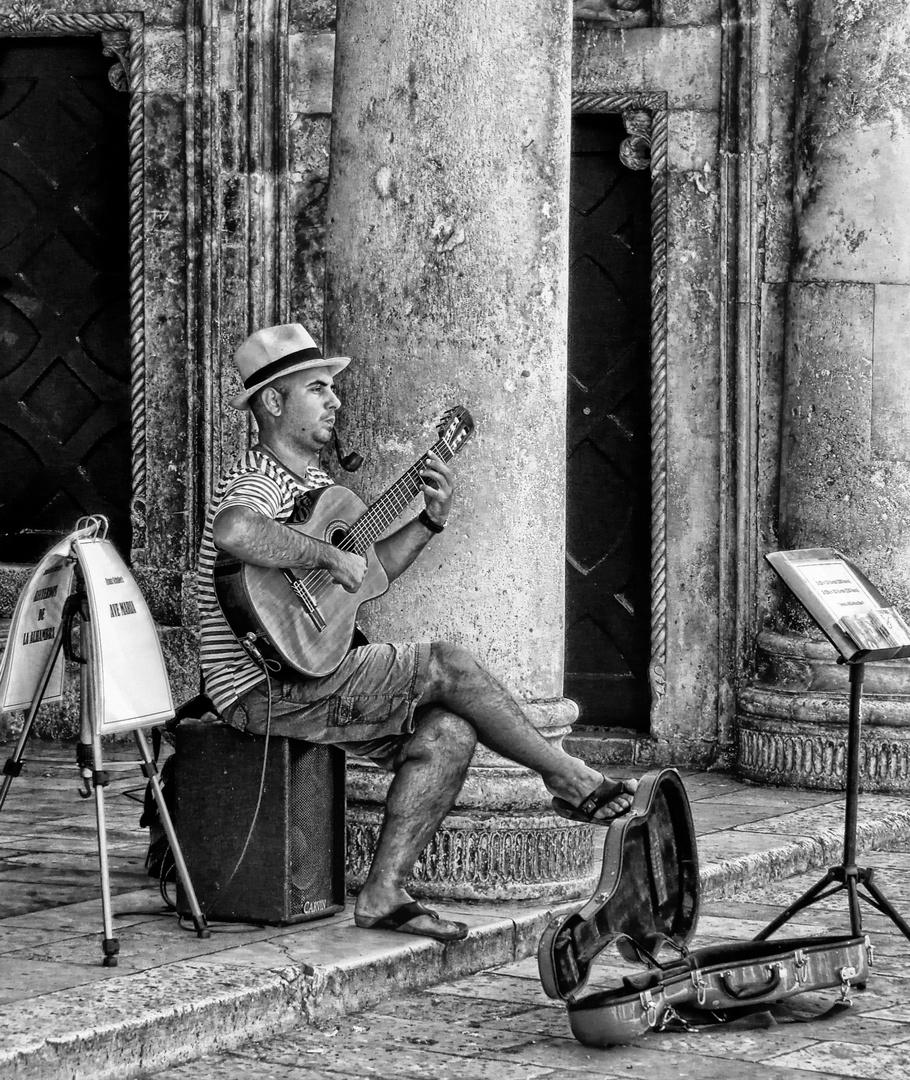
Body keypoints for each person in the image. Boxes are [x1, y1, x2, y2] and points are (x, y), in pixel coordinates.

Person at [197, 323, 637, 942]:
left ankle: (383, 894)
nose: (335, 401)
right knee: (450, 663)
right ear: (273, 403)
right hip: (261, 683)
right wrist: (325, 557)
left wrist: (428, 523)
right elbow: (236, 532)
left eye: (333, 389)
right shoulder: (259, 480)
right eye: (317, 389)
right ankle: (567, 775)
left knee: (450, 732)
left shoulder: (318, 491)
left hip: (308, 669)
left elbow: (366, 577)